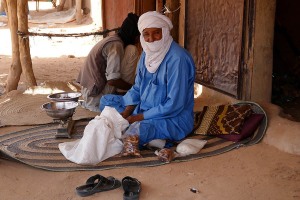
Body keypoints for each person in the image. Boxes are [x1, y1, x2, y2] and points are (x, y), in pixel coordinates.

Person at [100, 11, 195, 148]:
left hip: (171, 117)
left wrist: (136, 118)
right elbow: (138, 87)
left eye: (156, 33)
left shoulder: (178, 59)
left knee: (138, 131)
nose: (151, 39)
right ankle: (152, 138)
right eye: (146, 34)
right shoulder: (147, 54)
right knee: (106, 101)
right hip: (142, 110)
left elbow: (174, 104)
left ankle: (152, 135)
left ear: (165, 32)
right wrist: (126, 113)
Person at [76, 13, 140, 112]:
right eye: (139, 35)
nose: (139, 40)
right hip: (96, 99)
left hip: (88, 93)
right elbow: (112, 80)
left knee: (129, 50)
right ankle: (124, 98)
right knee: (132, 50)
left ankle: (124, 94)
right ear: (134, 34)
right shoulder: (116, 45)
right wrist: (133, 89)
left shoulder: (113, 39)